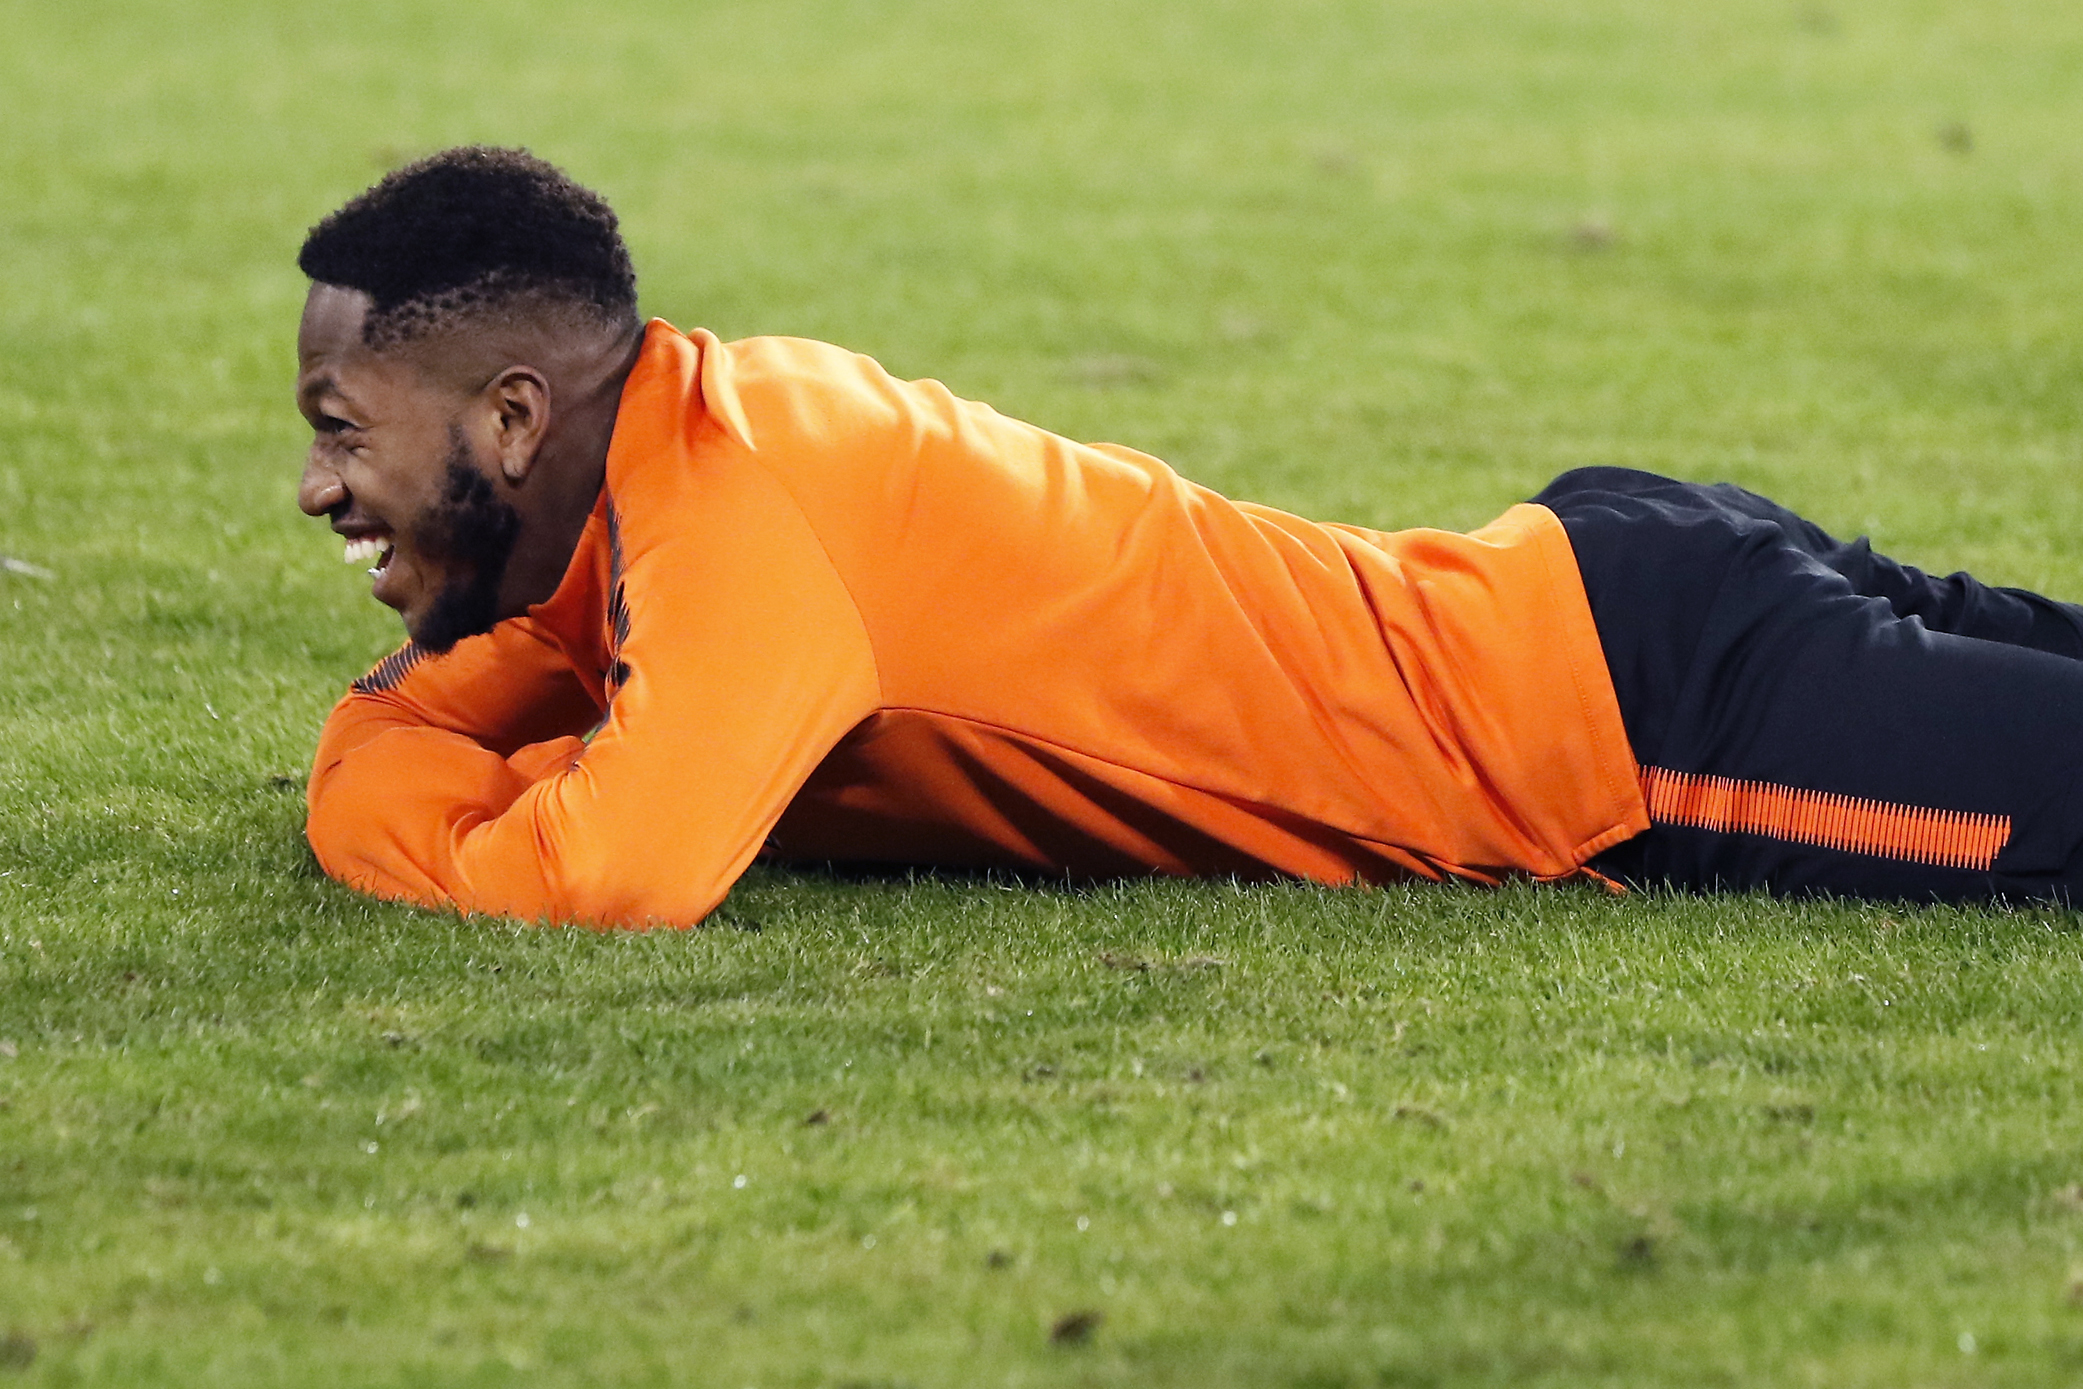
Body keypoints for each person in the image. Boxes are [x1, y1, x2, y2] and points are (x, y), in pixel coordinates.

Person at [294, 146, 2083, 928]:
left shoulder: (749, 521)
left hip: (1630, 734)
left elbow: (605, 875)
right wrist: (406, 734)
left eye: (341, 429)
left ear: (514, 415)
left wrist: (372, 784)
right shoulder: (702, 443)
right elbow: (486, 690)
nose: (319, 488)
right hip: (1598, 582)